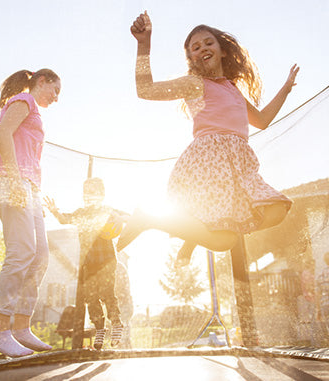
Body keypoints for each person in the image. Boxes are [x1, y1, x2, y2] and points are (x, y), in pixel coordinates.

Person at [117, 12, 299, 262]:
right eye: (195, 47)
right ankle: (150, 218)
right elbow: (146, 90)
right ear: (191, 58)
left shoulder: (232, 88)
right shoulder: (195, 84)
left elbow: (262, 121)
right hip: (209, 162)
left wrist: (286, 89)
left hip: (239, 164)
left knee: (269, 214)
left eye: (208, 43)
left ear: (222, 51)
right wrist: (143, 45)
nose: (202, 48)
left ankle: (192, 238)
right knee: (224, 234)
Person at [0, 68, 61, 357]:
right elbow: (3, 133)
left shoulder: (34, 111)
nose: (56, 97)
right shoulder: (24, 100)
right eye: (55, 90)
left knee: (40, 254)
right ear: (41, 81)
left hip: (30, 186)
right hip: (9, 179)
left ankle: (20, 326)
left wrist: (30, 189)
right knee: (21, 251)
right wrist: (15, 180)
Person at [45, 177, 128, 350]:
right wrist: (54, 211)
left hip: (106, 260)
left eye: (94, 192)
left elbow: (127, 217)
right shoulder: (81, 213)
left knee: (106, 293)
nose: (89, 196)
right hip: (88, 263)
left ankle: (117, 323)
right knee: (91, 298)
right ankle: (100, 328)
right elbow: (64, 219)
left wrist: (125, 218)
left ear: (101, 195)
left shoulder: (108, 211)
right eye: (87, 193)